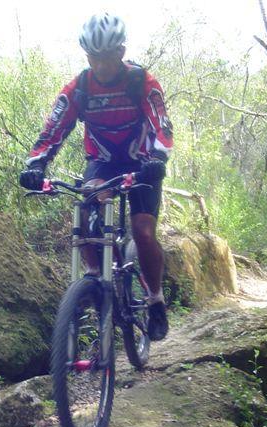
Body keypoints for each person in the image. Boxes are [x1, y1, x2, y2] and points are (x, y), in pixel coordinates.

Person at [19, 13, 173, 341]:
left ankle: (155, 298)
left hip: (143, 161)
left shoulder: (141, 81)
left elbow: (162, 124)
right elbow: (54, 128)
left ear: (121, 52)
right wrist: (35, 164)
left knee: (143, 232)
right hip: (102, 162)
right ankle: (96, 279)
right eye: (94, 58)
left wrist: (158, 157)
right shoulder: (79, 88)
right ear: (86, 56)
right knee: (86, 207)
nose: (101, 66)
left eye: (108, 58)